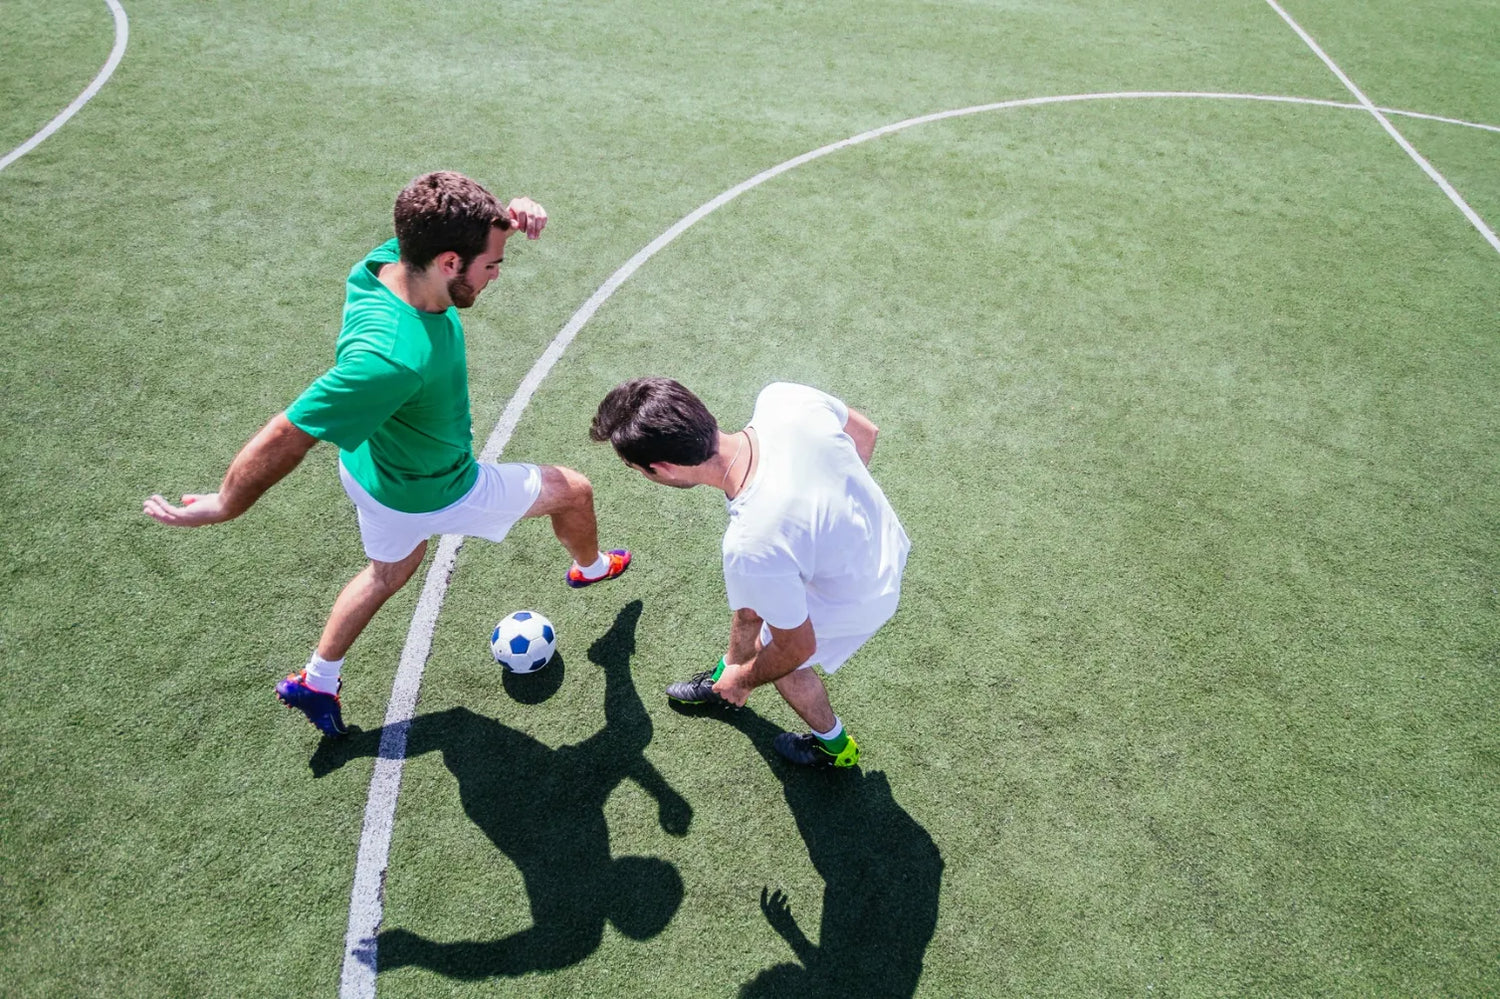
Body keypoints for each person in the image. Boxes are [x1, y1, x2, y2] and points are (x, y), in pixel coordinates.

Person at [144, 171, 630, 738]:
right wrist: (227, 503)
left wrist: (508, 217)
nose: (497, 274)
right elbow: (290, 431)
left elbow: (440, 215)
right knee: (572, 490)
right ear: (450, 263)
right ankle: (591, 569)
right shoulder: (392, 358)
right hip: (436, 488)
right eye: (493, 265)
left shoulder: (384, 266)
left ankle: (318, 680)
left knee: (390, 569)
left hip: (370, 475)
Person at [589, 378, 909, 767]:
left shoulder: (752, 544)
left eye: (635, 469)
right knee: (754, 607)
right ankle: (728, 666)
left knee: (780, 657)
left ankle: (835, 747)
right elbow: (865, 432)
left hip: (863, 593)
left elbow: (797, 647)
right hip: (885, 538)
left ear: (663, 469)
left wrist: (743, 681)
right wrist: (832, 516)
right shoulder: (783, 400)